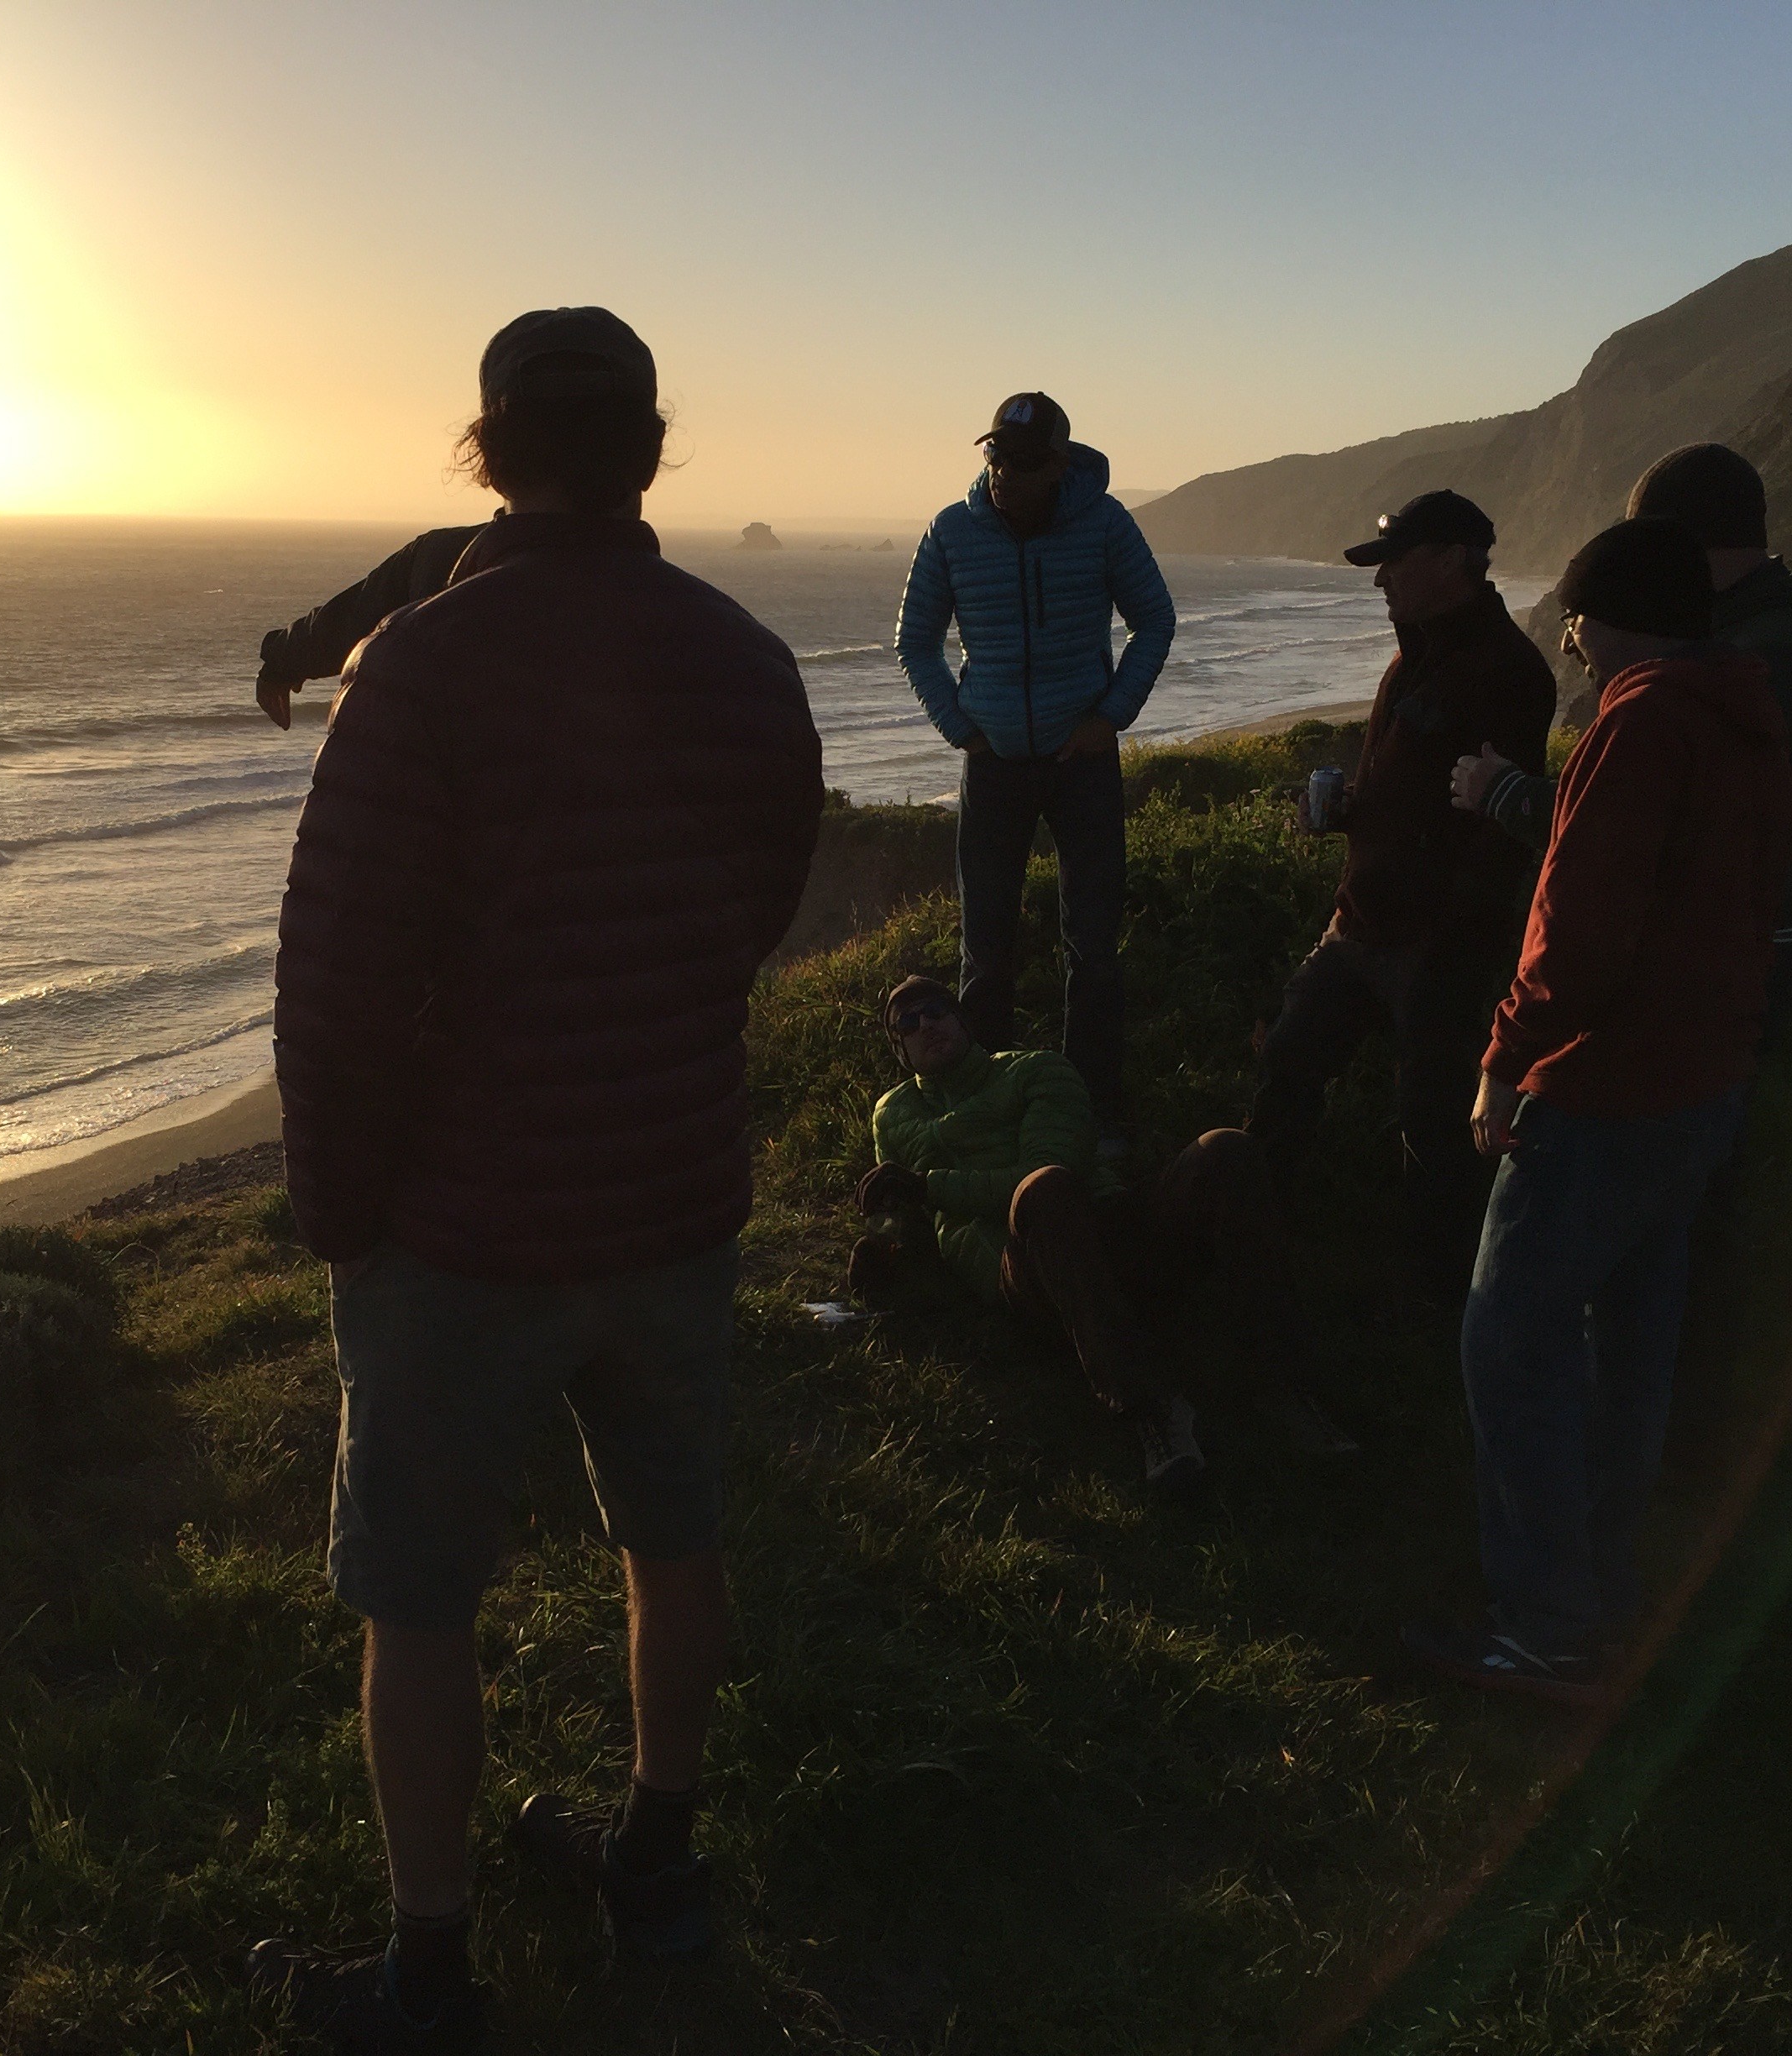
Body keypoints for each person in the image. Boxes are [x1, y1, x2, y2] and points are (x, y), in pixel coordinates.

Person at [259, 306, 825, 2051]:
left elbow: (340, 966)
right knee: (677, 1535)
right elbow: (764, 904)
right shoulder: (743, 656)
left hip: (466, 1224)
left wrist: (345, 1208)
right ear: (650, 450)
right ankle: (659, 1864)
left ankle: (433, 1972)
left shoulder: (421, 664)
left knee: (421, 1596)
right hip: (671, 1194)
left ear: (486, 455)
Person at [1402, 517, 1792, 1706]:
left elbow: (1579, 928)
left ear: (1615, 611)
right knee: (1627, 1347)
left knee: (1509, 1337)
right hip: (1701, 1083)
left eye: (1575, 616)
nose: (1567, 639)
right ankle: (1605, 1591)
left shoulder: (1640, 719)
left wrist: (1504, 1062)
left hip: (1606, 1085)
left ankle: (1551, 1625)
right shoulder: (1747, 714)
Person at [851, 976, 1351, 1491]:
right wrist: (886, 1249)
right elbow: (903, 1211)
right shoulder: (893, 1114)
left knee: (1226, 1149)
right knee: (1042, 1196)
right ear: (900, 1050)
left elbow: (1049, 1163)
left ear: (963, 1020)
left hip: (1109, 1224)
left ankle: (1286, 1382)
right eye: (908, 1023)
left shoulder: (1037, 1069)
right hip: (1023, 1266)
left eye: (936, 1010)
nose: (926, 1024)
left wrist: (928, 1188)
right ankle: (1149, 1409)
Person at [1246, 490, 1557, 1303]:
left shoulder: (1507, 671)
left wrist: (1455, 950)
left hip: (1435, 944)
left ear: (1452, 559)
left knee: (1433, 1128)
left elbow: (1495, 823)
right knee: (1286, 1064)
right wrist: (1349, 808)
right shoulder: (1409, 656)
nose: (1380, 581)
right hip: (1358, 926)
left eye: (1394, 562)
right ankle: (1247, 1240)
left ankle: (1439, 1304)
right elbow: (1419, 789)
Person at [1449, 444, 1792, 1041]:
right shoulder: (1751, 630)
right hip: (1728, 936)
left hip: (1717, 950)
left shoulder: (1760, 653)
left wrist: (1508, 792)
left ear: (1679, 543)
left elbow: (1645, 807)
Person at [893, 394, 1176, 1147]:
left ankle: (1092, 1112)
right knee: (984, 951)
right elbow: (915, 638)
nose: (1003, 475)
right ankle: (983, 1115)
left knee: (1093, 948)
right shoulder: (953, 531)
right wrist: (962, 730)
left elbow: (1156, 617)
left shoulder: (1105, 522)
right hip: (994, 768)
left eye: (1021, 463)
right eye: (994, 457)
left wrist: (1108, 718)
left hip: (1081, 763)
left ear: (1057, 465)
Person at [253, 522, 488, 728]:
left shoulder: (443, 554)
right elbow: (353, 616)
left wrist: (280, 663)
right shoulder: (443, 554)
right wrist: (282, 660)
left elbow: (354, 616)